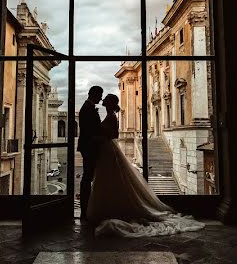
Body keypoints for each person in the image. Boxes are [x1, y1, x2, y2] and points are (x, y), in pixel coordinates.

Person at [86, 93, 205, 237]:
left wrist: (98, 138)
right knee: (110, 179)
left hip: (108, 149)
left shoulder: (111, 116)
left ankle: (109, 208)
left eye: (105, 99)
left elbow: (114, 134)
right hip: (107, 150)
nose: (102, 100)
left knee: (109, 179)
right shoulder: (110, 115)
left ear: (109, 103)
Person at [77, 85, 104, 219]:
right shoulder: (88, 108)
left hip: (88, 146)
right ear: (93, 94)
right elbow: (89, 131)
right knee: (87, 177)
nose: (101, 98)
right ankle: (85, 208)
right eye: (100, 95)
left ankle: (86, 207)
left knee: (88, 176)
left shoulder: (87, 107)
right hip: (89, 146)